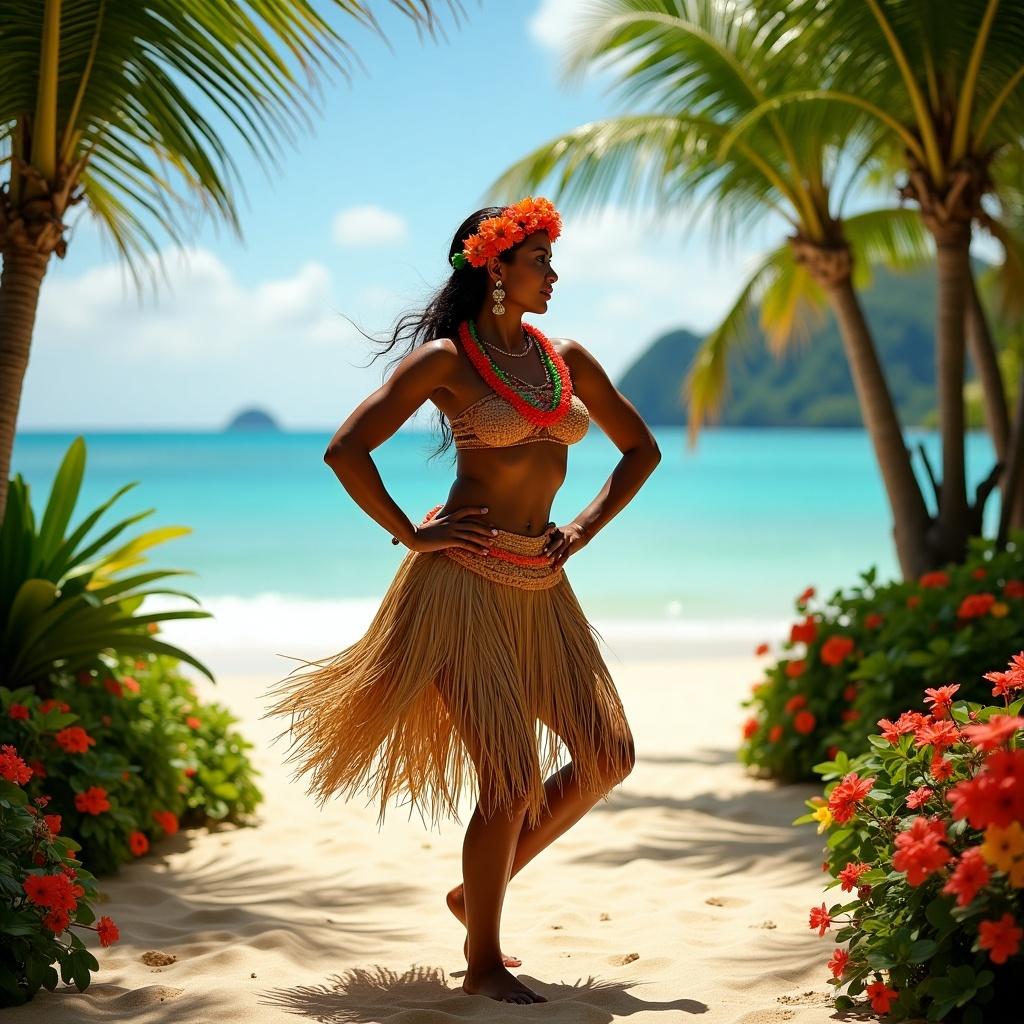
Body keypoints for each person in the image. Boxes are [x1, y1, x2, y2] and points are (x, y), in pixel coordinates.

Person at [261, 196, 661, 1005]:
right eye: (539, 259)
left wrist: (581, 530)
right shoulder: (448, 362)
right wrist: (411, 534)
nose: (553, 273)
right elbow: (347, 450)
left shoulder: (567, 360)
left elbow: (640, 450)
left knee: (608, 753)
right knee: (510, 778)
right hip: (460, 589)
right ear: (495, 269)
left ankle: (475, 894)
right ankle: (484, 960)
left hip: (544, 587)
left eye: (551, 258)